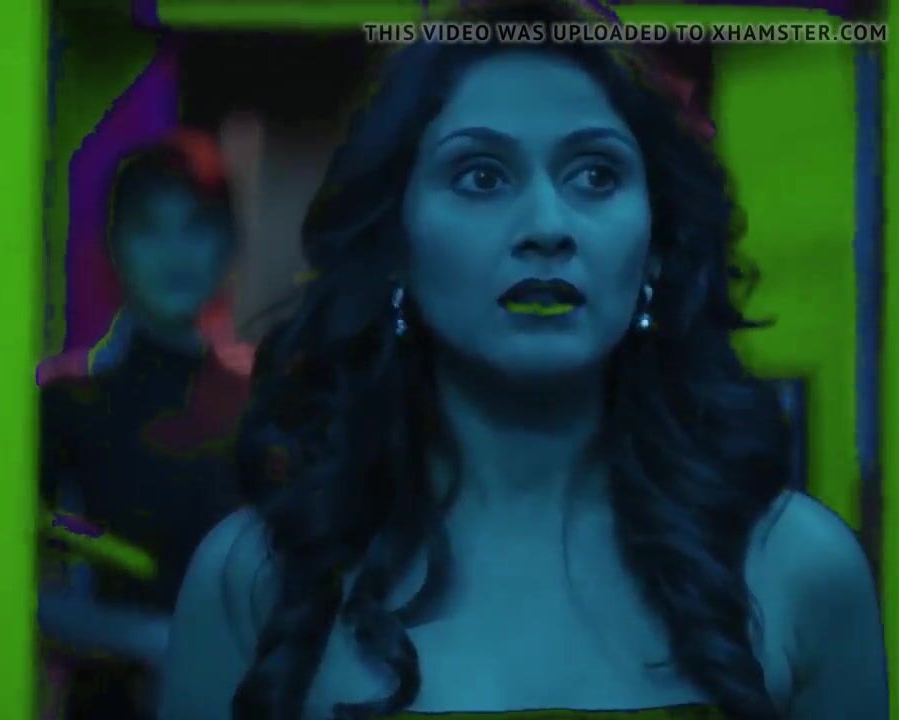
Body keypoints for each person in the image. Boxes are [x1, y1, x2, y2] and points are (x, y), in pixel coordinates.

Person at [158, 1, 889, 719]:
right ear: (395, 243)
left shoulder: (798, 570)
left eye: (595, 176)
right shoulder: (253, 581)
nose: (546, 226)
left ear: (657, 249)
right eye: (481, 177)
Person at [37, 129, 249, 720]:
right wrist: (150, 639)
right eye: (150, 229)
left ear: (229, 242)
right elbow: (17, 592)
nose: (175, 253)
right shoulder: (66, 402)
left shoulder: (269, 399)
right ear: (114, 245)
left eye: (196, 227)